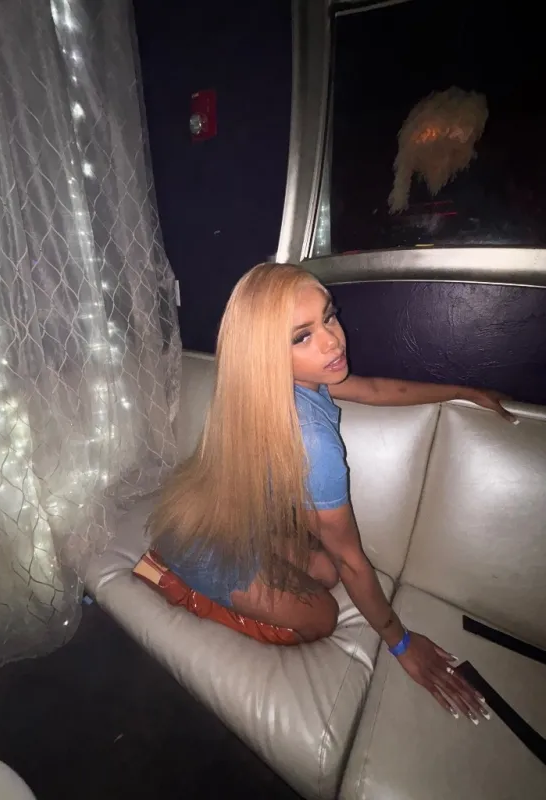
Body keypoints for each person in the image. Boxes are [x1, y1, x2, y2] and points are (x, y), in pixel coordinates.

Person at [145, 263, 508, 722]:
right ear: (266, 353)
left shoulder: (287, 383)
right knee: (322, 618)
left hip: (222, 518)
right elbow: (352, 560)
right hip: (201, 541)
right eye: (302, 336)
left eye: (329, 316)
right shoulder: (313, 443)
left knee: (324, 572)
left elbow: (375, 389)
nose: (333, 340)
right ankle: (174, 580)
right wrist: (401, 643)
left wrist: (463, 391)